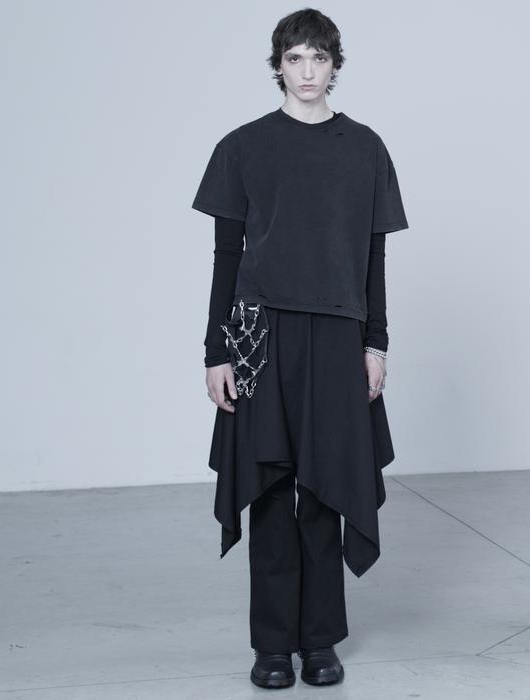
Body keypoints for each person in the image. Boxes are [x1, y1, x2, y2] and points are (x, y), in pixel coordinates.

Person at [191, 8, 409, 690]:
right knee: (270, 487)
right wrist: (216, 351)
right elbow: (227, 257)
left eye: (319, 58)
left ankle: (319, 642)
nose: (307, 71)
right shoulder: (243, 147)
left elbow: (373, 258)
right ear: (278, 65)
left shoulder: (365, 149)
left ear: (335, 65)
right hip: (260, 333)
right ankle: (270, 645)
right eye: (295, 59)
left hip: (338, 335)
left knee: (323, 488)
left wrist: (375, 343)